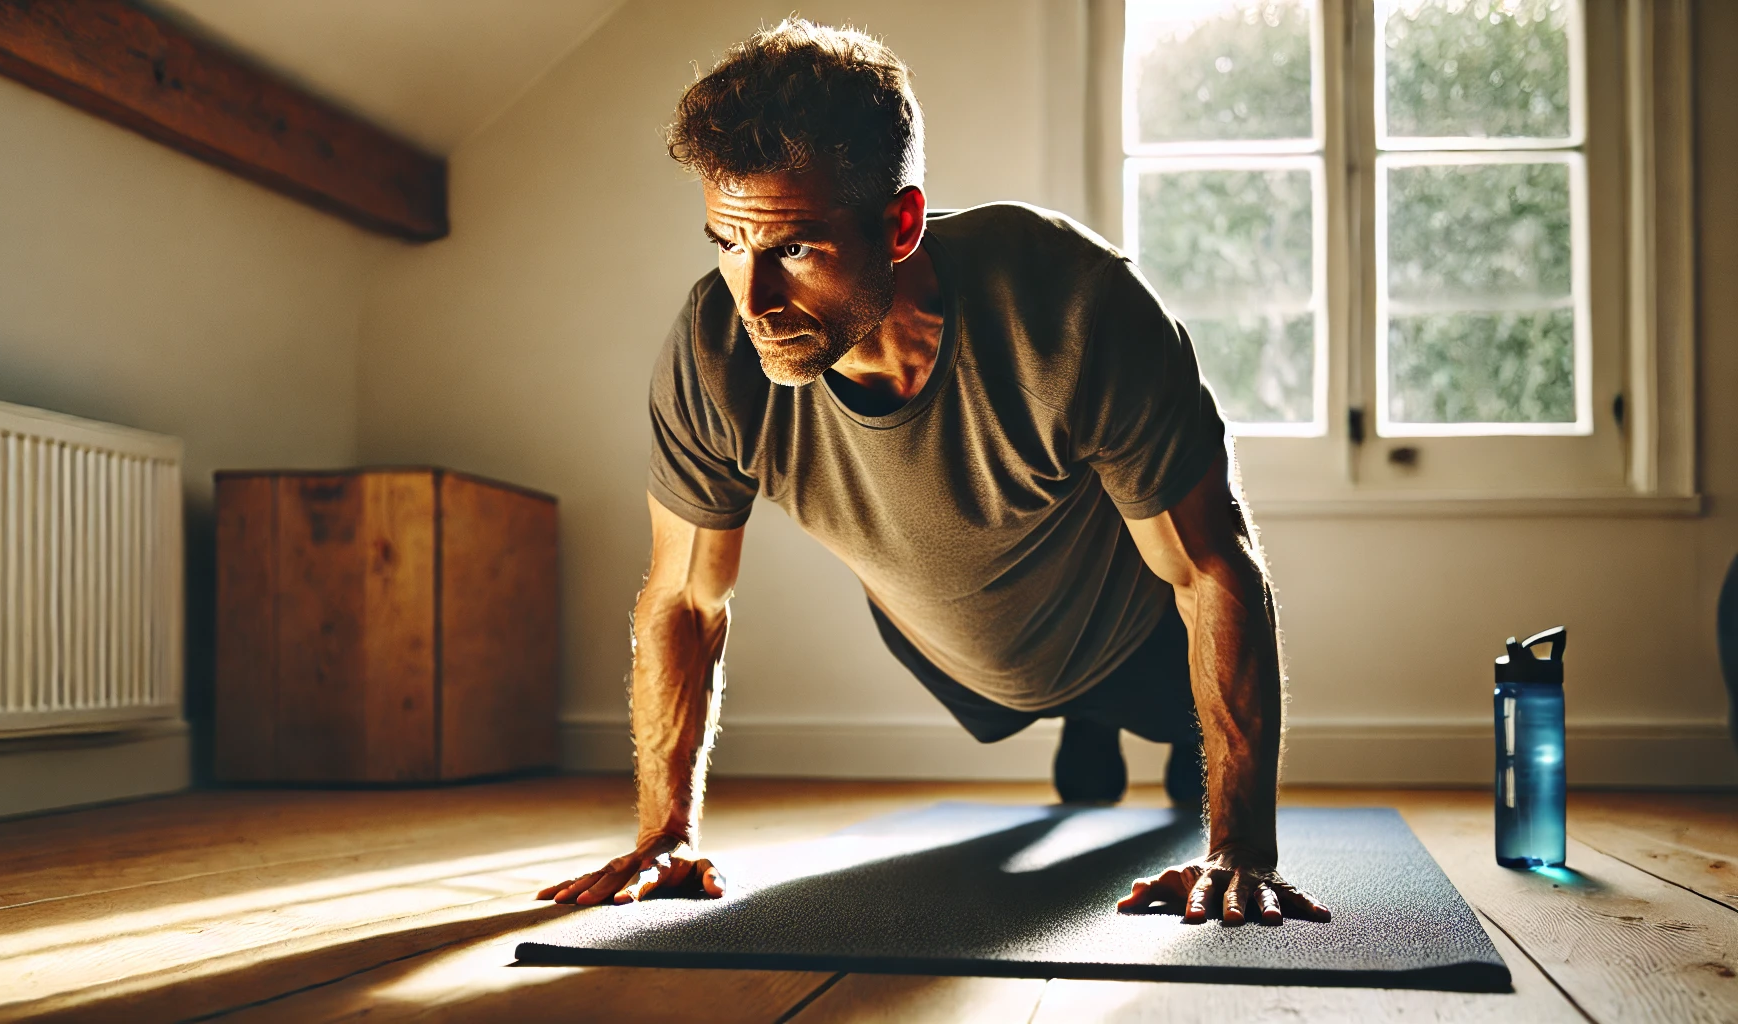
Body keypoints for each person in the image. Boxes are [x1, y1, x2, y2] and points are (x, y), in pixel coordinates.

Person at [540, 19, 1330, 927]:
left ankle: (1119, 724)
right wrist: (664, 832)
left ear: (902, 223)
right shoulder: (714, 349)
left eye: (793, 248)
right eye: (726, 243)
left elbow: (1210, 568)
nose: (751, 299)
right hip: (951, 643)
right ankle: (1077, 719)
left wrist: (1238, 849)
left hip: (1128, 632)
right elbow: (683, 599)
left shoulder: (1075, 304)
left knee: (1179, 748)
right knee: (1004, 694)